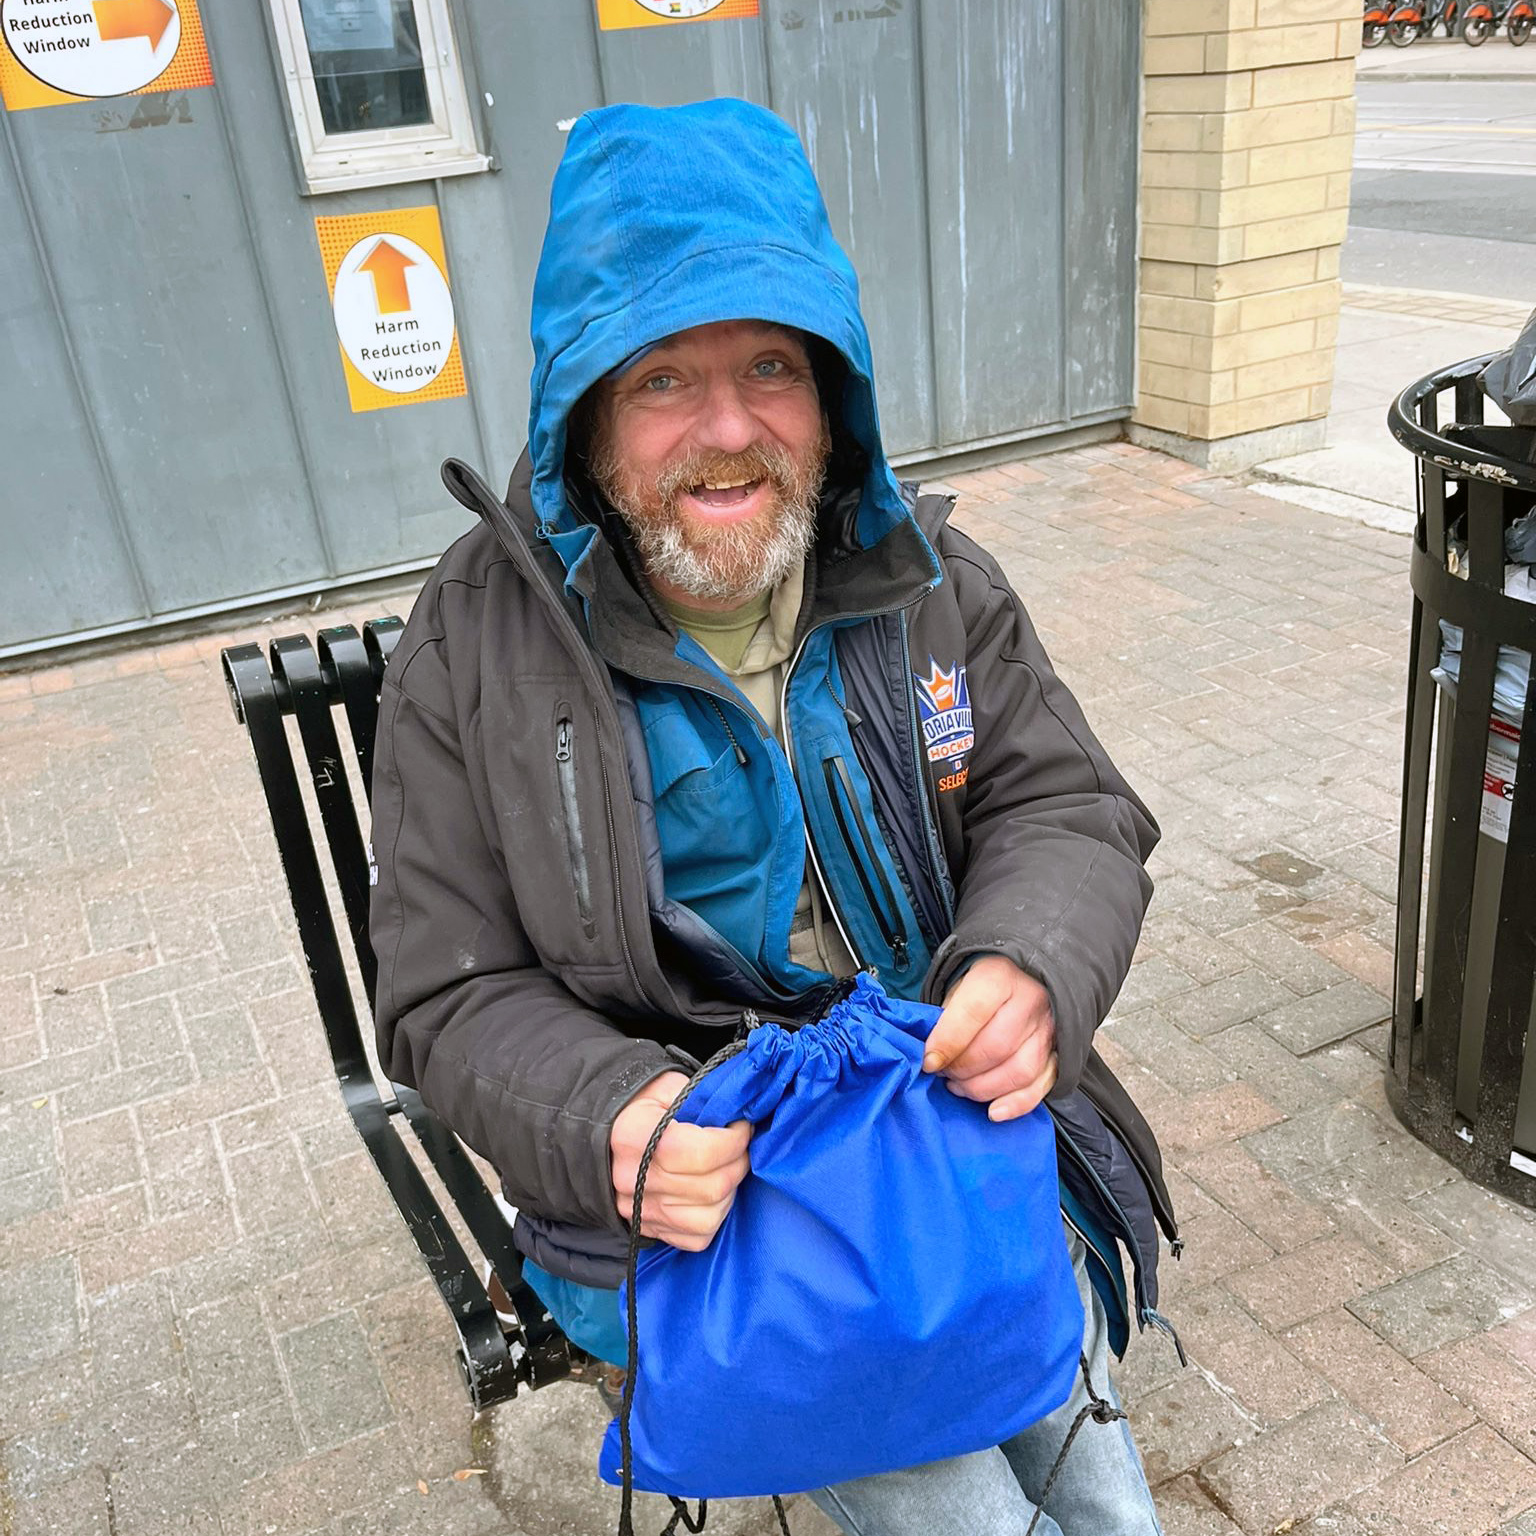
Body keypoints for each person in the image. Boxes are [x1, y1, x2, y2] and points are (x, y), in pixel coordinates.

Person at [372, 97, 1167, 1535]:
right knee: (971, 1517)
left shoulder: (927, 575)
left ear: (830, 391)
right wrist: (608, 1114)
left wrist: (1028, 963)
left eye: (770, 366)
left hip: (940, 1139)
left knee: (1097, 1482)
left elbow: (1065, 802)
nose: (729, 429)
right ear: (587, 409)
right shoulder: (472, 649)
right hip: (714, 1200)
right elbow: (446, 988)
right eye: (664, 376)